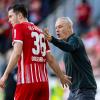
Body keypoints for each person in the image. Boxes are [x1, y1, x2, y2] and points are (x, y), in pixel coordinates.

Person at [0, 4, 71, 100]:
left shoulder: (18, 27)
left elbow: (17, 53)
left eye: (11, 16)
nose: (9, 20)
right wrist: (61, 76)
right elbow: (50, 58)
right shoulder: (40, 32)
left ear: (20, 15)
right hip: (43, 83)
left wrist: (5, 75)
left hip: (27, 82)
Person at [44, 17, 97, 100]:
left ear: (69, 27)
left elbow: (69, 47)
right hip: (73, 91)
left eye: (60, 26)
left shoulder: (75, 39)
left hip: (85, 91)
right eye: (56, 28)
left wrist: (52, 39)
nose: (57, 30)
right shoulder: (66, 46)